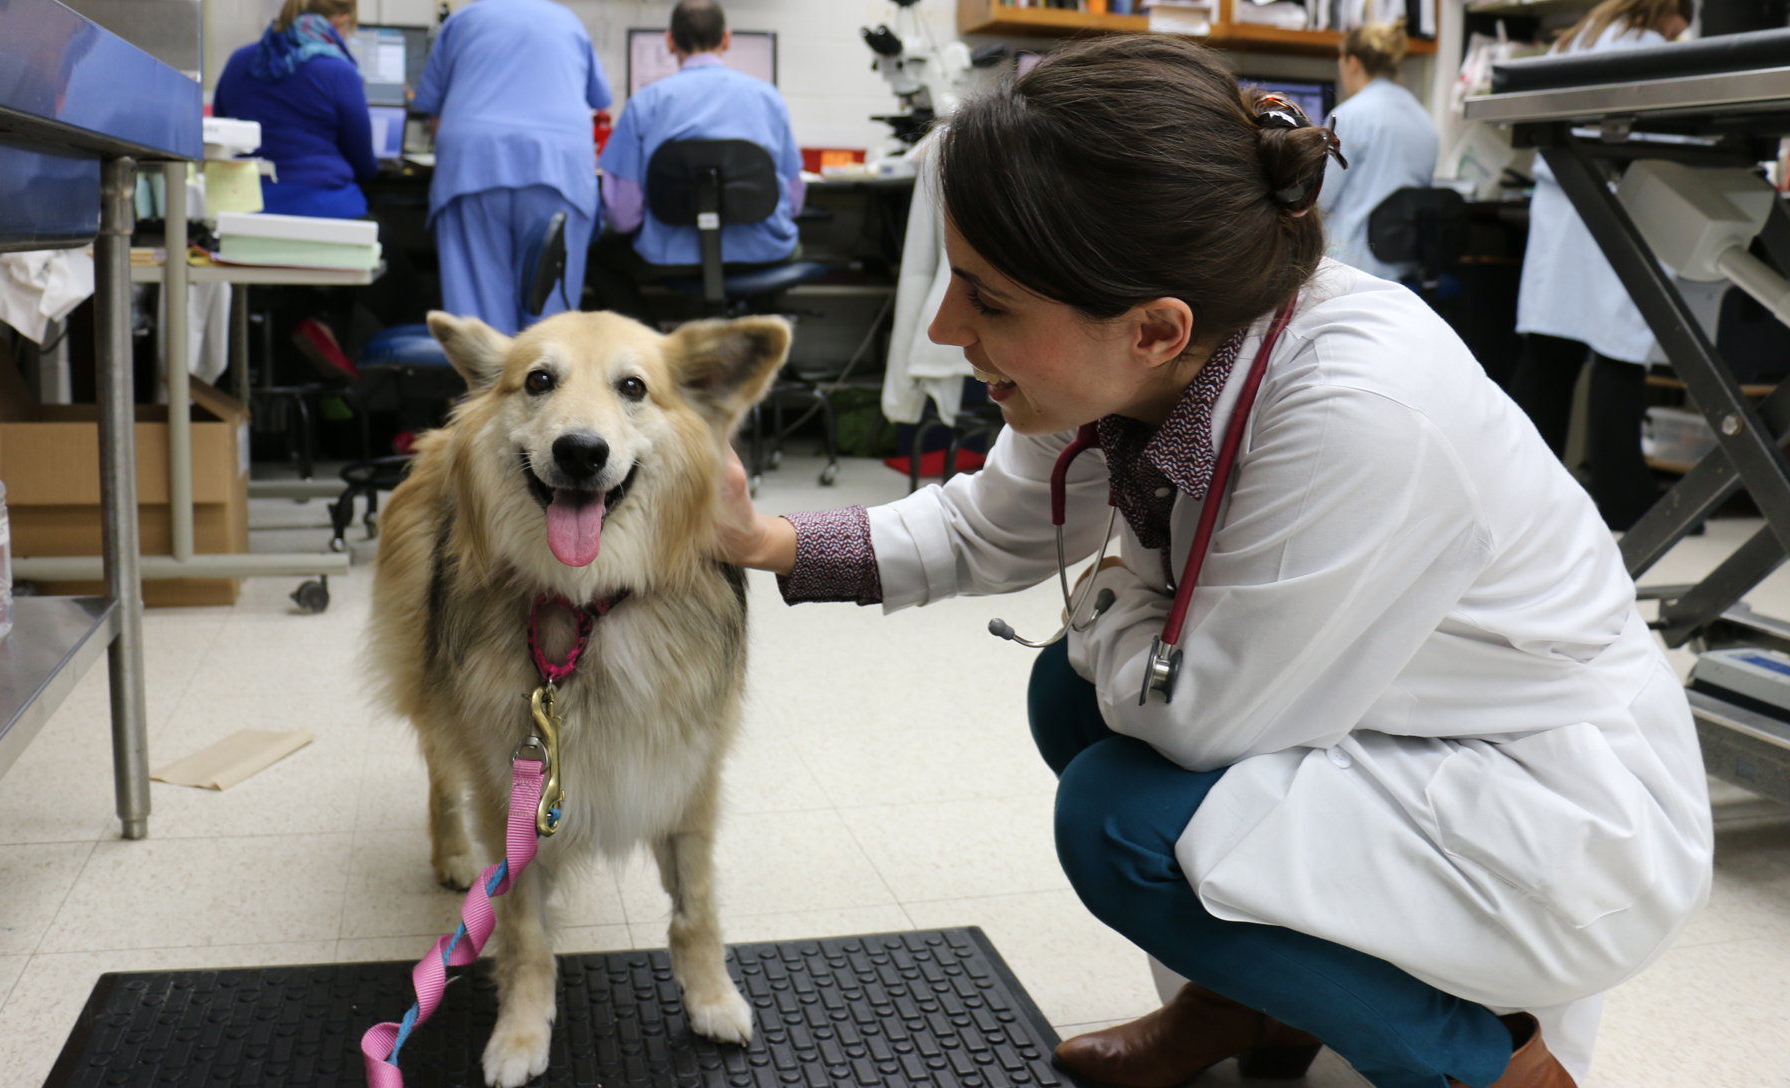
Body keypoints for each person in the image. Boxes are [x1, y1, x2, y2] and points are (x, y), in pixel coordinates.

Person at [714, 36, 1710, 1088]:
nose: (945, 325)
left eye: (987, 299)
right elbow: (989, 528)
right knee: (1074, 696)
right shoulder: (1135, 344)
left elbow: (1201, 717)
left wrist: (1107, 597)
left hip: (1547, 800)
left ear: (1154, 328)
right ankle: (1255, 1003)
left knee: (1117, 817)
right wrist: (762, 540)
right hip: (1384, 720)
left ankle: (1497, 1062)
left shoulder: (1360, 412)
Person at [1509, 0, 1695, 530]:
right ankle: (1621, 495)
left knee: (1548, 355)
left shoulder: (1577, 41)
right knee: (1618, 355)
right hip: (1622, 206)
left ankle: (1518, 491)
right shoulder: (1661, 55)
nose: (1685, 30)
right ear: (1670, 12)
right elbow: (1682, 138)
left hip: (1564, 204)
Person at [586, 0, 805, 323]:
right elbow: (794, 202)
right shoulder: (768, 98)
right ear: (726, 39)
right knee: (795, 246)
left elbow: (623, 217)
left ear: (670, 41)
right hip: (761, 251)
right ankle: (753, 343)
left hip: (669, 256)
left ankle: (652, 348)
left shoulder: (645, 103)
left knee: (595, 253)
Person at [414, 0, 611, 333]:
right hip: (557, 169)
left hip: (474, 167)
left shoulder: (462, 21)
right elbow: (599, 103)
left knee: (480, 331)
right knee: (552, 326)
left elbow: (434, 116)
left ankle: (488, 383)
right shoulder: (568, 22)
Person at [213, 0, 378, 220]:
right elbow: (363, 165)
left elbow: (221, 136)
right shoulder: (339, 71)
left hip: (244, 209)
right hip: (326, 211)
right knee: (394, 247)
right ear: (342, 21)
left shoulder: (239, 61)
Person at [1316, 21, 1439, 282]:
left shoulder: (1348, 116)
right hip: (1403, 272)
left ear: (1352, 63)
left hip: (1349, 268)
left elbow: (1317, 199)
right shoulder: (1425, 121)